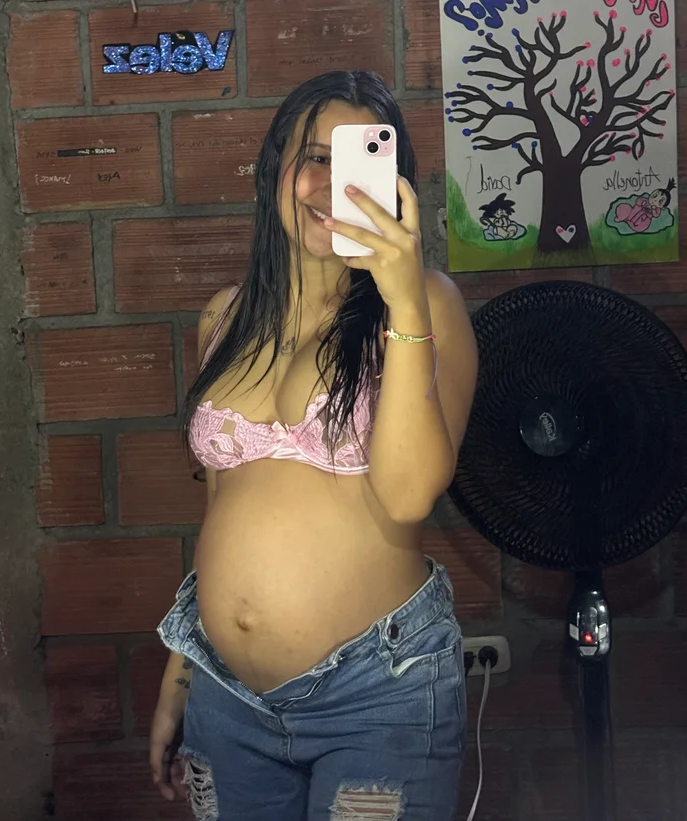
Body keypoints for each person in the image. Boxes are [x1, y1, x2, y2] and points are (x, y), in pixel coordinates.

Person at [149, 70, 478, 821]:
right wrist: (180, 676)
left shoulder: (428, 304)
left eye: (358, 159)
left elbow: (408, 495)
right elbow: (220, 509)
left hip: (377, 696)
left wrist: (402, 299)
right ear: (275, 169)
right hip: (224, 696)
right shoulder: (224, 319)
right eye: (314, 158)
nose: (333, 183)